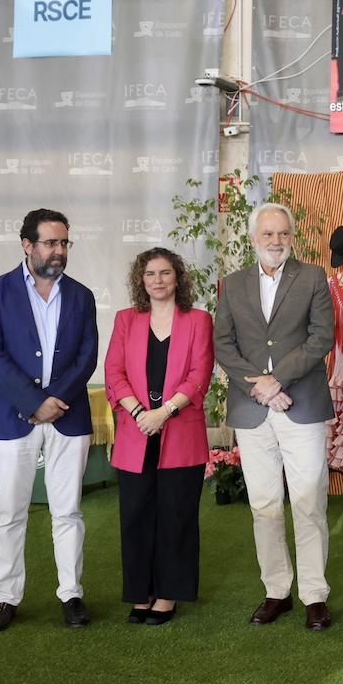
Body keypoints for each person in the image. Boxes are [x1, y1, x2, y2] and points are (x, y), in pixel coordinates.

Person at [0, 208, 99, 633]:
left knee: (69, 512)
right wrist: (33, 402)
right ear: (27, 245)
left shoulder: (81, 295)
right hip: (11, 418)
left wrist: (54, 401)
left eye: (65, 242)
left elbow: (87, 356)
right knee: (10, 512)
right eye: (51, 242)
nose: (59, 250)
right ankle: (6, 597)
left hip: (68, 416)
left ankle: (72, 594)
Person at [213, 202, 336, 630]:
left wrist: (276, 381)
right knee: (264, 506)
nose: (276, 241)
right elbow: (223, 345)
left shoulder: (314, 277)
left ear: (292, 237)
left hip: (300, 406)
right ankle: (276, 591)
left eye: (282, 234)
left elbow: (322, 337)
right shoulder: (231, 284)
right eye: (268, 234)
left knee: (308, 502)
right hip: (252, 411)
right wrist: (258, 387)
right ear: (253, 238)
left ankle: (314, 595)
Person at [104, 248, 214, 626]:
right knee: (135, 516)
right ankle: (142, 592)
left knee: (176, 515)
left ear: (178, 278)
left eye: (165, 273)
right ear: (141, 280)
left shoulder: (198, 320)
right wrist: (139, 413)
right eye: (150, 274)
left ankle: (168, 594)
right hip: (136, 433)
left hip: (180, 431)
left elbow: (200, 374)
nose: (157, 280)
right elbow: (114, 374)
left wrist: (164, 413)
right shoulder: (125, 320)